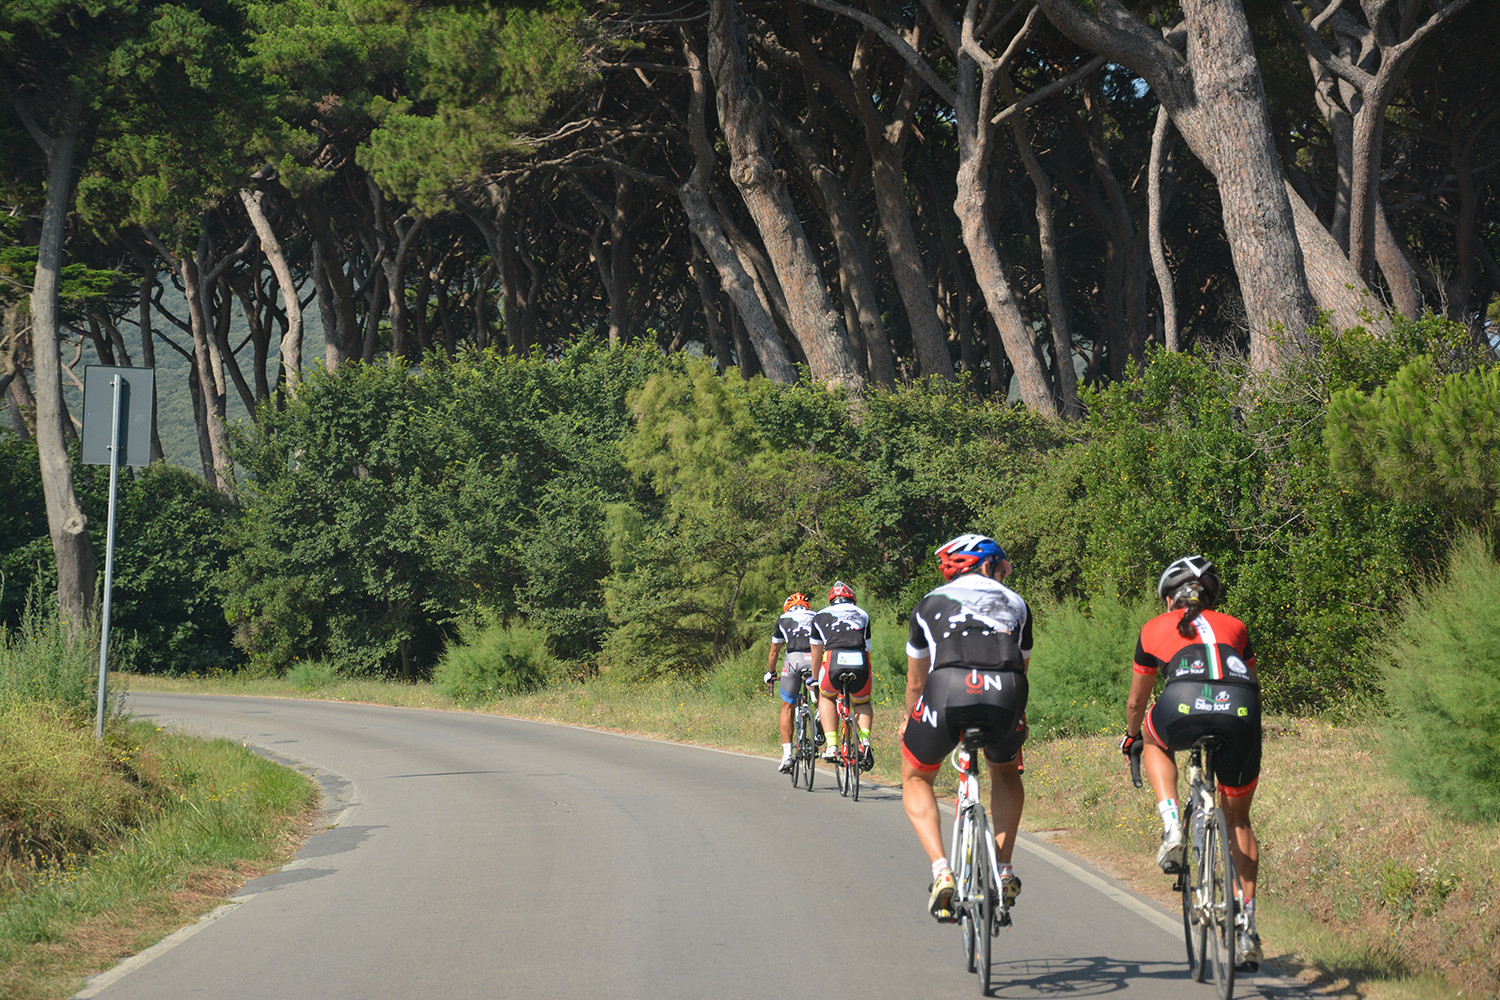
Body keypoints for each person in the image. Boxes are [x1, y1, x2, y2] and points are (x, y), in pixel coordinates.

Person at [1120, 555, 1263, 968]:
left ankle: (1171, 827)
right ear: (1211, 598)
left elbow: (1137, 702)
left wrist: (1132, 735)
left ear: (1169, 598)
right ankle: (1246, 925)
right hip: (1241, 710)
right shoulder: (1236, 626)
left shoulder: (1154, 627)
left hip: (1181, 703)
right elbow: (1252, 683)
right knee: (1239, 819)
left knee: (1151, 738)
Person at [900, 534, 1031, 921]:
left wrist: (911, 720)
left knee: (916, 777)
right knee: (1005, 771)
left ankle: (942, 871)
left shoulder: (928, 603)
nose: (1005, 573)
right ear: (987, 565)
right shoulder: (1017, 603)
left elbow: (915, 682)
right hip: (1006, 690)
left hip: (948, 688)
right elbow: (1021, 667)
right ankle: (1003, 870)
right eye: (1002, 567)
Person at [809, 581, 875, 771]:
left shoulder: (819, 616)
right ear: (852, 599)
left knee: (827, 696)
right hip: (860, 661)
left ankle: (832, 745)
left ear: (831, 600)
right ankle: (865, 740)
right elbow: (867, 647)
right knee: (862, 702)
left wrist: (815, 680)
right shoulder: (863, 614)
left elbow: (816, 654)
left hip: (833, 660)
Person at [765, 592, 820, 772]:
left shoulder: (783, 619)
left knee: (787, 706)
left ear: (787, 608)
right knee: (824, 695)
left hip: (793, 659)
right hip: (815, 658)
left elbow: (774, 651)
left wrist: (771, 672)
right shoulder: (817, 616)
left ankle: (787, 755)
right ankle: (819, 713)